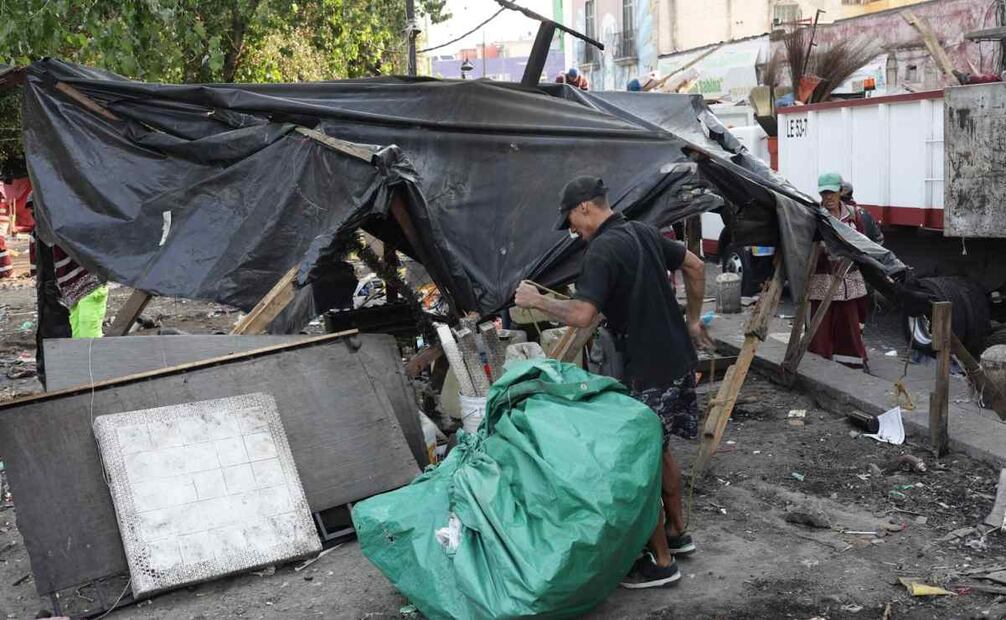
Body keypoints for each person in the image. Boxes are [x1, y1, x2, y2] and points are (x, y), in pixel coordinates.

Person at [514, 176, 711, 589]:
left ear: (586, 207)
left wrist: (537, 301)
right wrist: (692, 320)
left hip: (646, 369)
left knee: (637, 465)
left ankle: (660, 562)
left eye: (571, 220)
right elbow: (695, 264)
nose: (573, 231)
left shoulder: (602, 249)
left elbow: (583, 315)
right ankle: (677, 535)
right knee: (660, 450)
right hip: (677, 360)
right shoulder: (641, 230)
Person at [809, 173, 870, 370]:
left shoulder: (853, 214)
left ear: (840, 191)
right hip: (824, 276)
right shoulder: (815, 215)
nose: (828, 197)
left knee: (848, 320)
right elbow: (807, 243)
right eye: (824, 193)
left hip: (848, 277)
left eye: (831, 192)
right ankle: (819, 362)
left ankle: (851, 361)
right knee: (822, 322)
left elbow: (863, 241)